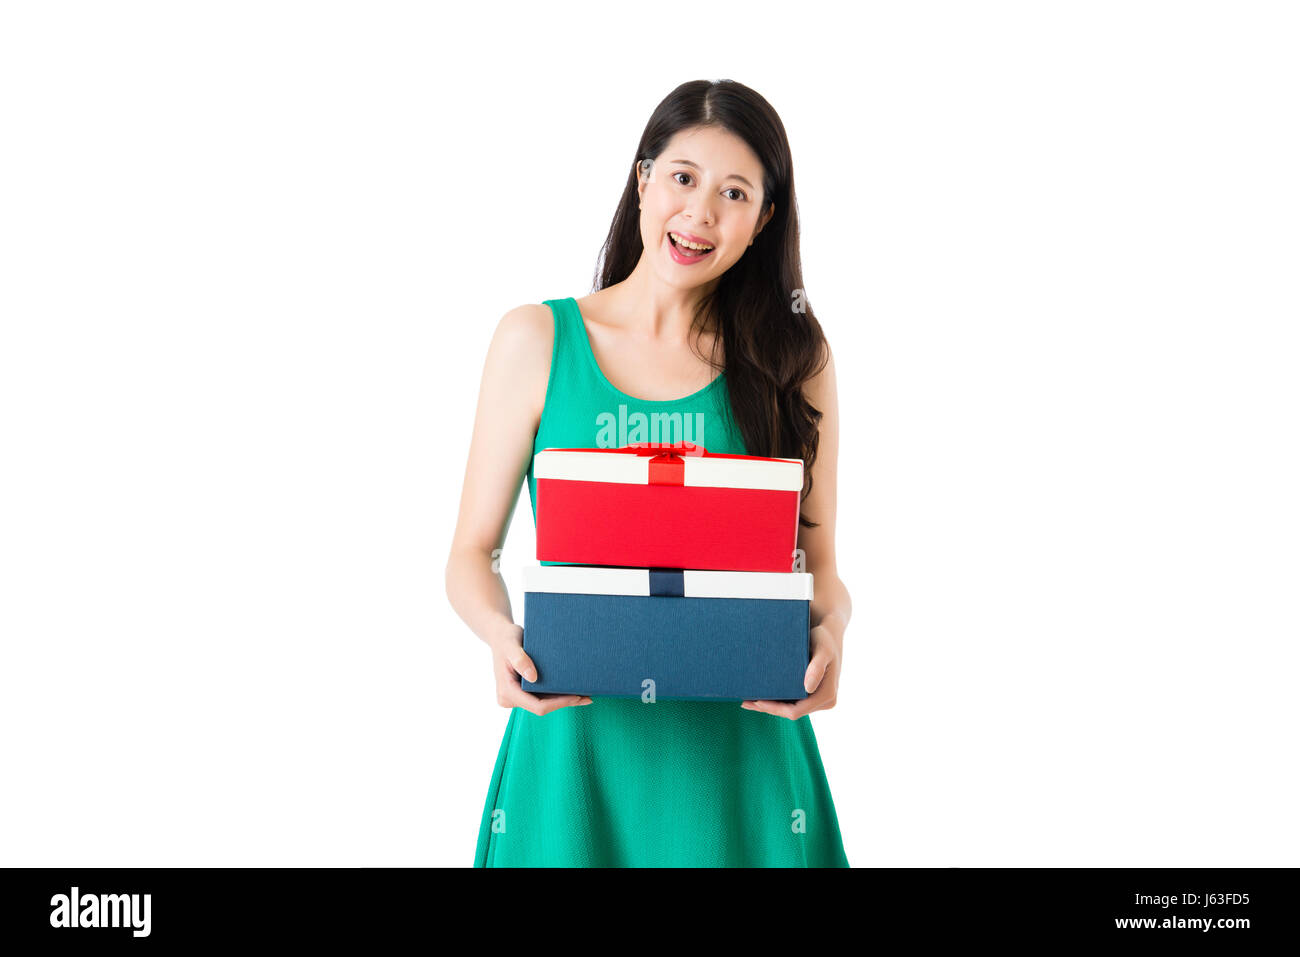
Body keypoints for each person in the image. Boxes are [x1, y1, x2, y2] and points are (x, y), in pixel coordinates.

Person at [445, 79, 852, 867]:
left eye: (735, 192)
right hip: (575, 750)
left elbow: (823, 568)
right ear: (642, 180)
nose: (700, 213)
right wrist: (500, 636)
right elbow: (470, 554)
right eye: (683, 176)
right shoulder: (535, 339)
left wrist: (831, 633)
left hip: (742, 761)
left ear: (764, 219)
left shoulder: (794, 361)